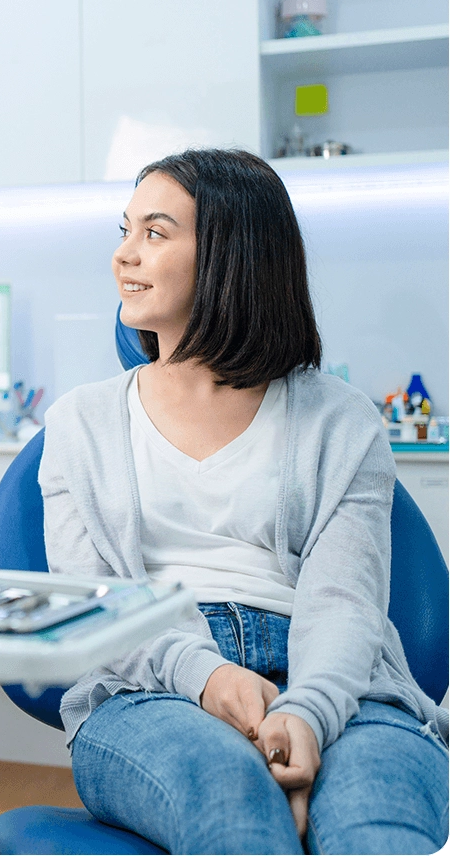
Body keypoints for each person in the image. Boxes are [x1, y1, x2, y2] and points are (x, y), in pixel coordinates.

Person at [40, 148, 448, 855]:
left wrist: (310, 714)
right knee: (232, 805)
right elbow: (97, 603)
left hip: (341, 683)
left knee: (374, 829)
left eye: (155, 234)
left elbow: (345, 599)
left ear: (232, 257)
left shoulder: (339, 420)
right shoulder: (81, 424)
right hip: (150, 690)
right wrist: (208, 677)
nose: (124, 256)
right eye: (124, 230)